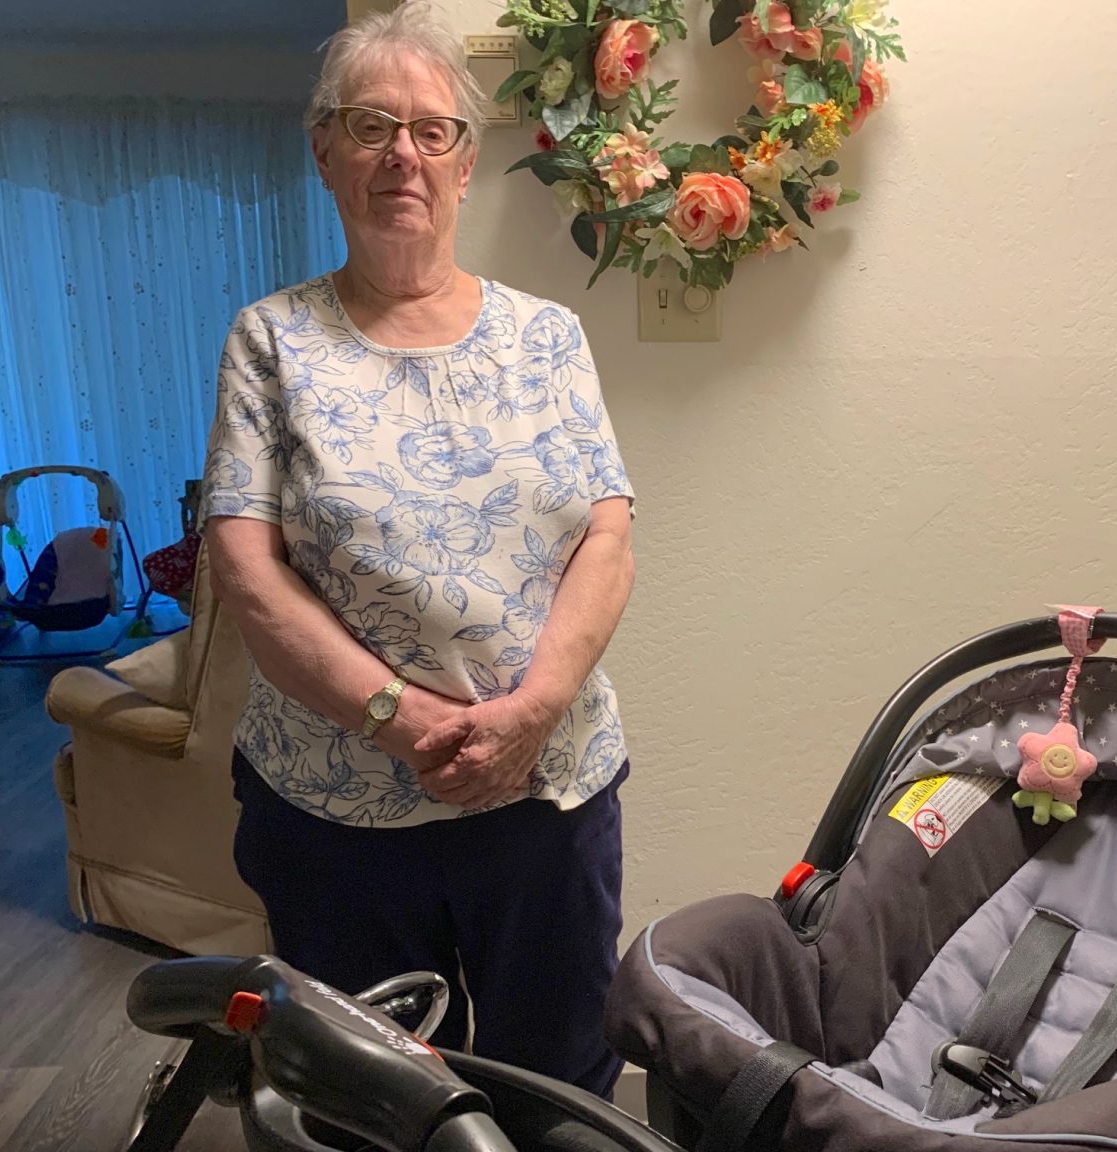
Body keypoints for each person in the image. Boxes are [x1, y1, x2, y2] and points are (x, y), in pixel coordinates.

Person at [198, 0, 636, 1099]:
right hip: (336, 812)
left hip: (546, 795)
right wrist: (403, 719)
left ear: (464, 161)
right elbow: (246, 570)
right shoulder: (270, 341)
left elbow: (608, 534)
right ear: (325, 153)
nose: (403, 153)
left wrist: (531, 711)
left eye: (431, 130)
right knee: (371, 1099)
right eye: (370, 126)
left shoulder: (547, 337)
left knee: (557, 1084)